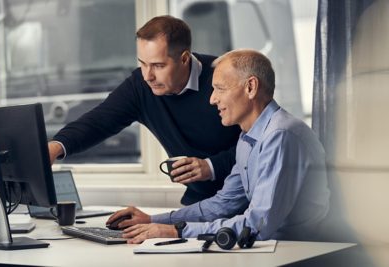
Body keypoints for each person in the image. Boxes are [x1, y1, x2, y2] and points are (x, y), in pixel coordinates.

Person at [107, 49, 331, 243]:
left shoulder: (280, 135)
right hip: (274, 249)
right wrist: (153, 220)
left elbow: (257, 226)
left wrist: (175, 231)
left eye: (220, 88)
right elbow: (222, 204)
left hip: (301, 252)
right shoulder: (248, 138)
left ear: (250, 87)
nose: (212, 99)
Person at [48, 15, 241, 205]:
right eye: (142, 63)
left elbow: (260, 144)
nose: (148, 76)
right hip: (197, 205)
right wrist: (55, 147)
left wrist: (212, 166)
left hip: (244, 202)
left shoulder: (223, 78)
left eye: (158, 65)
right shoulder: (141, 86)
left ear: (184, 59)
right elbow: (99, 121)